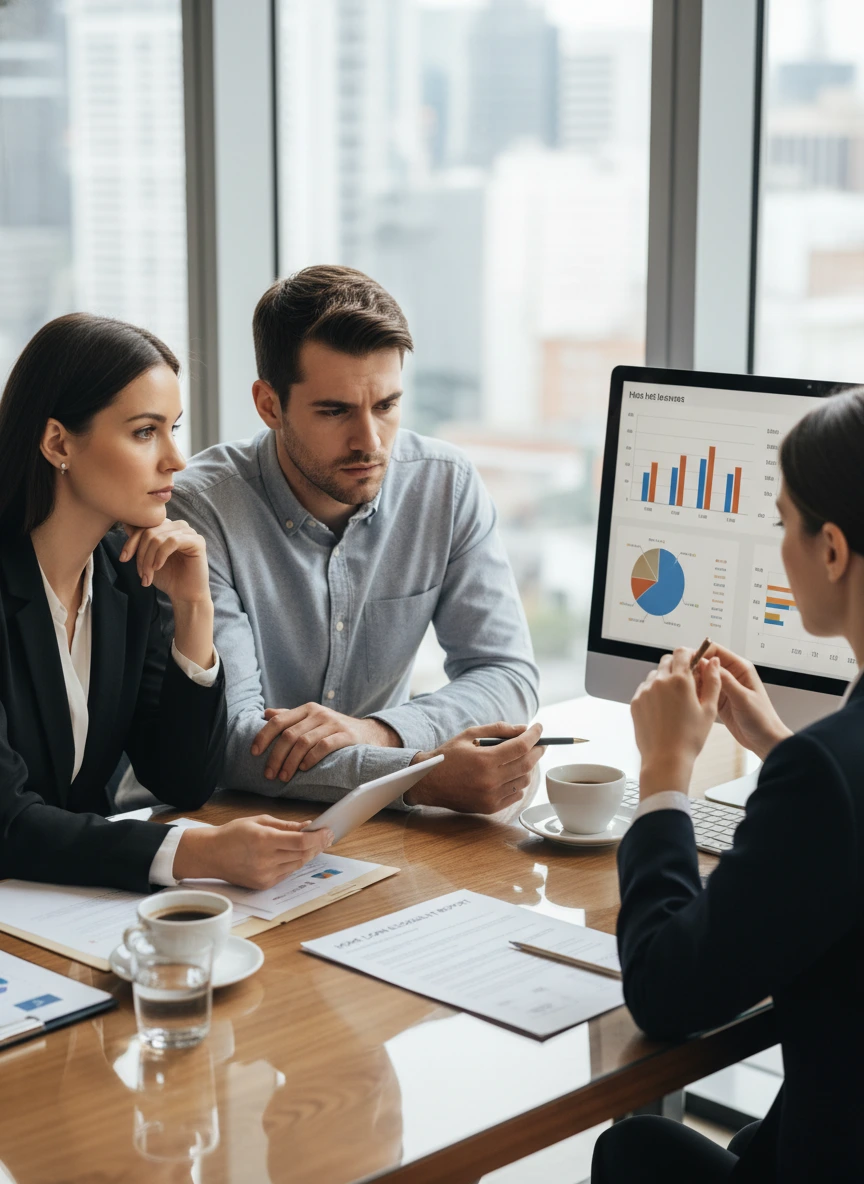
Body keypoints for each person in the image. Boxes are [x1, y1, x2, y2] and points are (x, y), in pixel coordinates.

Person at [591, 390, 864, 1182]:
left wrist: (665, 775)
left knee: (631, 1149)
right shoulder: (824, 771)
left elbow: (665, 992)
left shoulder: (827, 776)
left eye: (783, 524)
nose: (781, 544)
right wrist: (779, 746)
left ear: (834, 550)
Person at [169, 265, 544, 811]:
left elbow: (506, 674)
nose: (369, 442)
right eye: (335, 410)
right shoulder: (200, 511)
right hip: (232, 824)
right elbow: (228, 738)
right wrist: (416, 776)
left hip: (388, 833)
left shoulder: (445, 483)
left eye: (386, 406)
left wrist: (380, 734)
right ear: (269, 404)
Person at [0, 314, 333, 895]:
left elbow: (181, 780)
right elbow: (7, 822)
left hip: (74, 905)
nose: (175, 459)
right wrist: (198, 852)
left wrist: (193, 609)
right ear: (58, 442)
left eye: (173, 428)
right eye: (144, 432)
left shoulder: (125, 580)